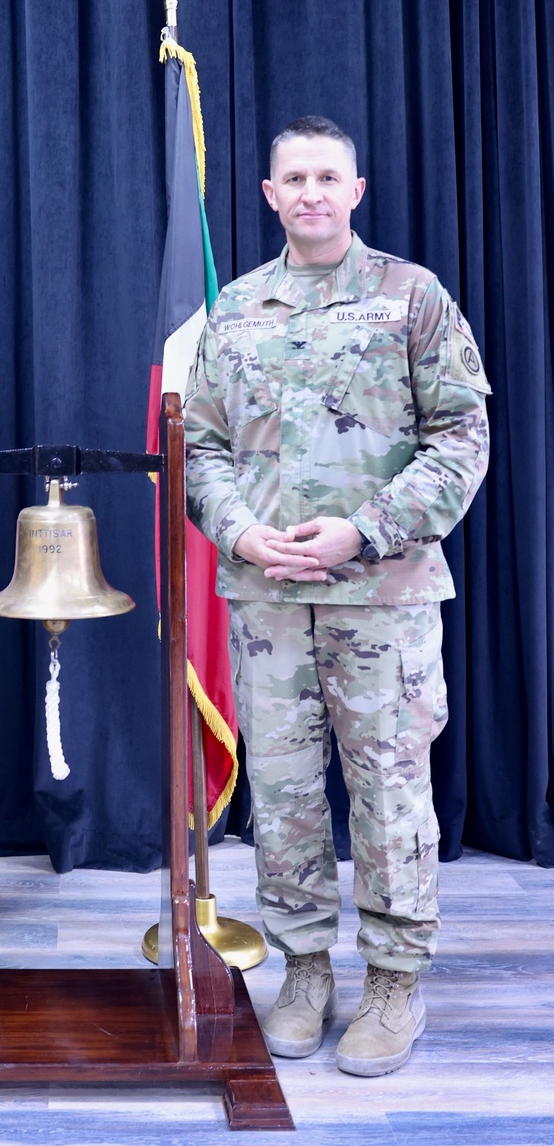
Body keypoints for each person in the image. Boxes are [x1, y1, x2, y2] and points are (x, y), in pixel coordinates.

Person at [184, 117, 490, 1077]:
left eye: (328, 177)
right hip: (267, 598)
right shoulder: (233, 309)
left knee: (390, 793)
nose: (311, 192)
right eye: (293, 179)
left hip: (382, 596)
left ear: (356, 191)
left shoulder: (412, 298)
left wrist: (365, 529)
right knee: (280, 792)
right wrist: (237, 529)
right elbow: (199, 445)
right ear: (268, 194)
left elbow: (462, 439)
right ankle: (305, 966)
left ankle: (396, 981)